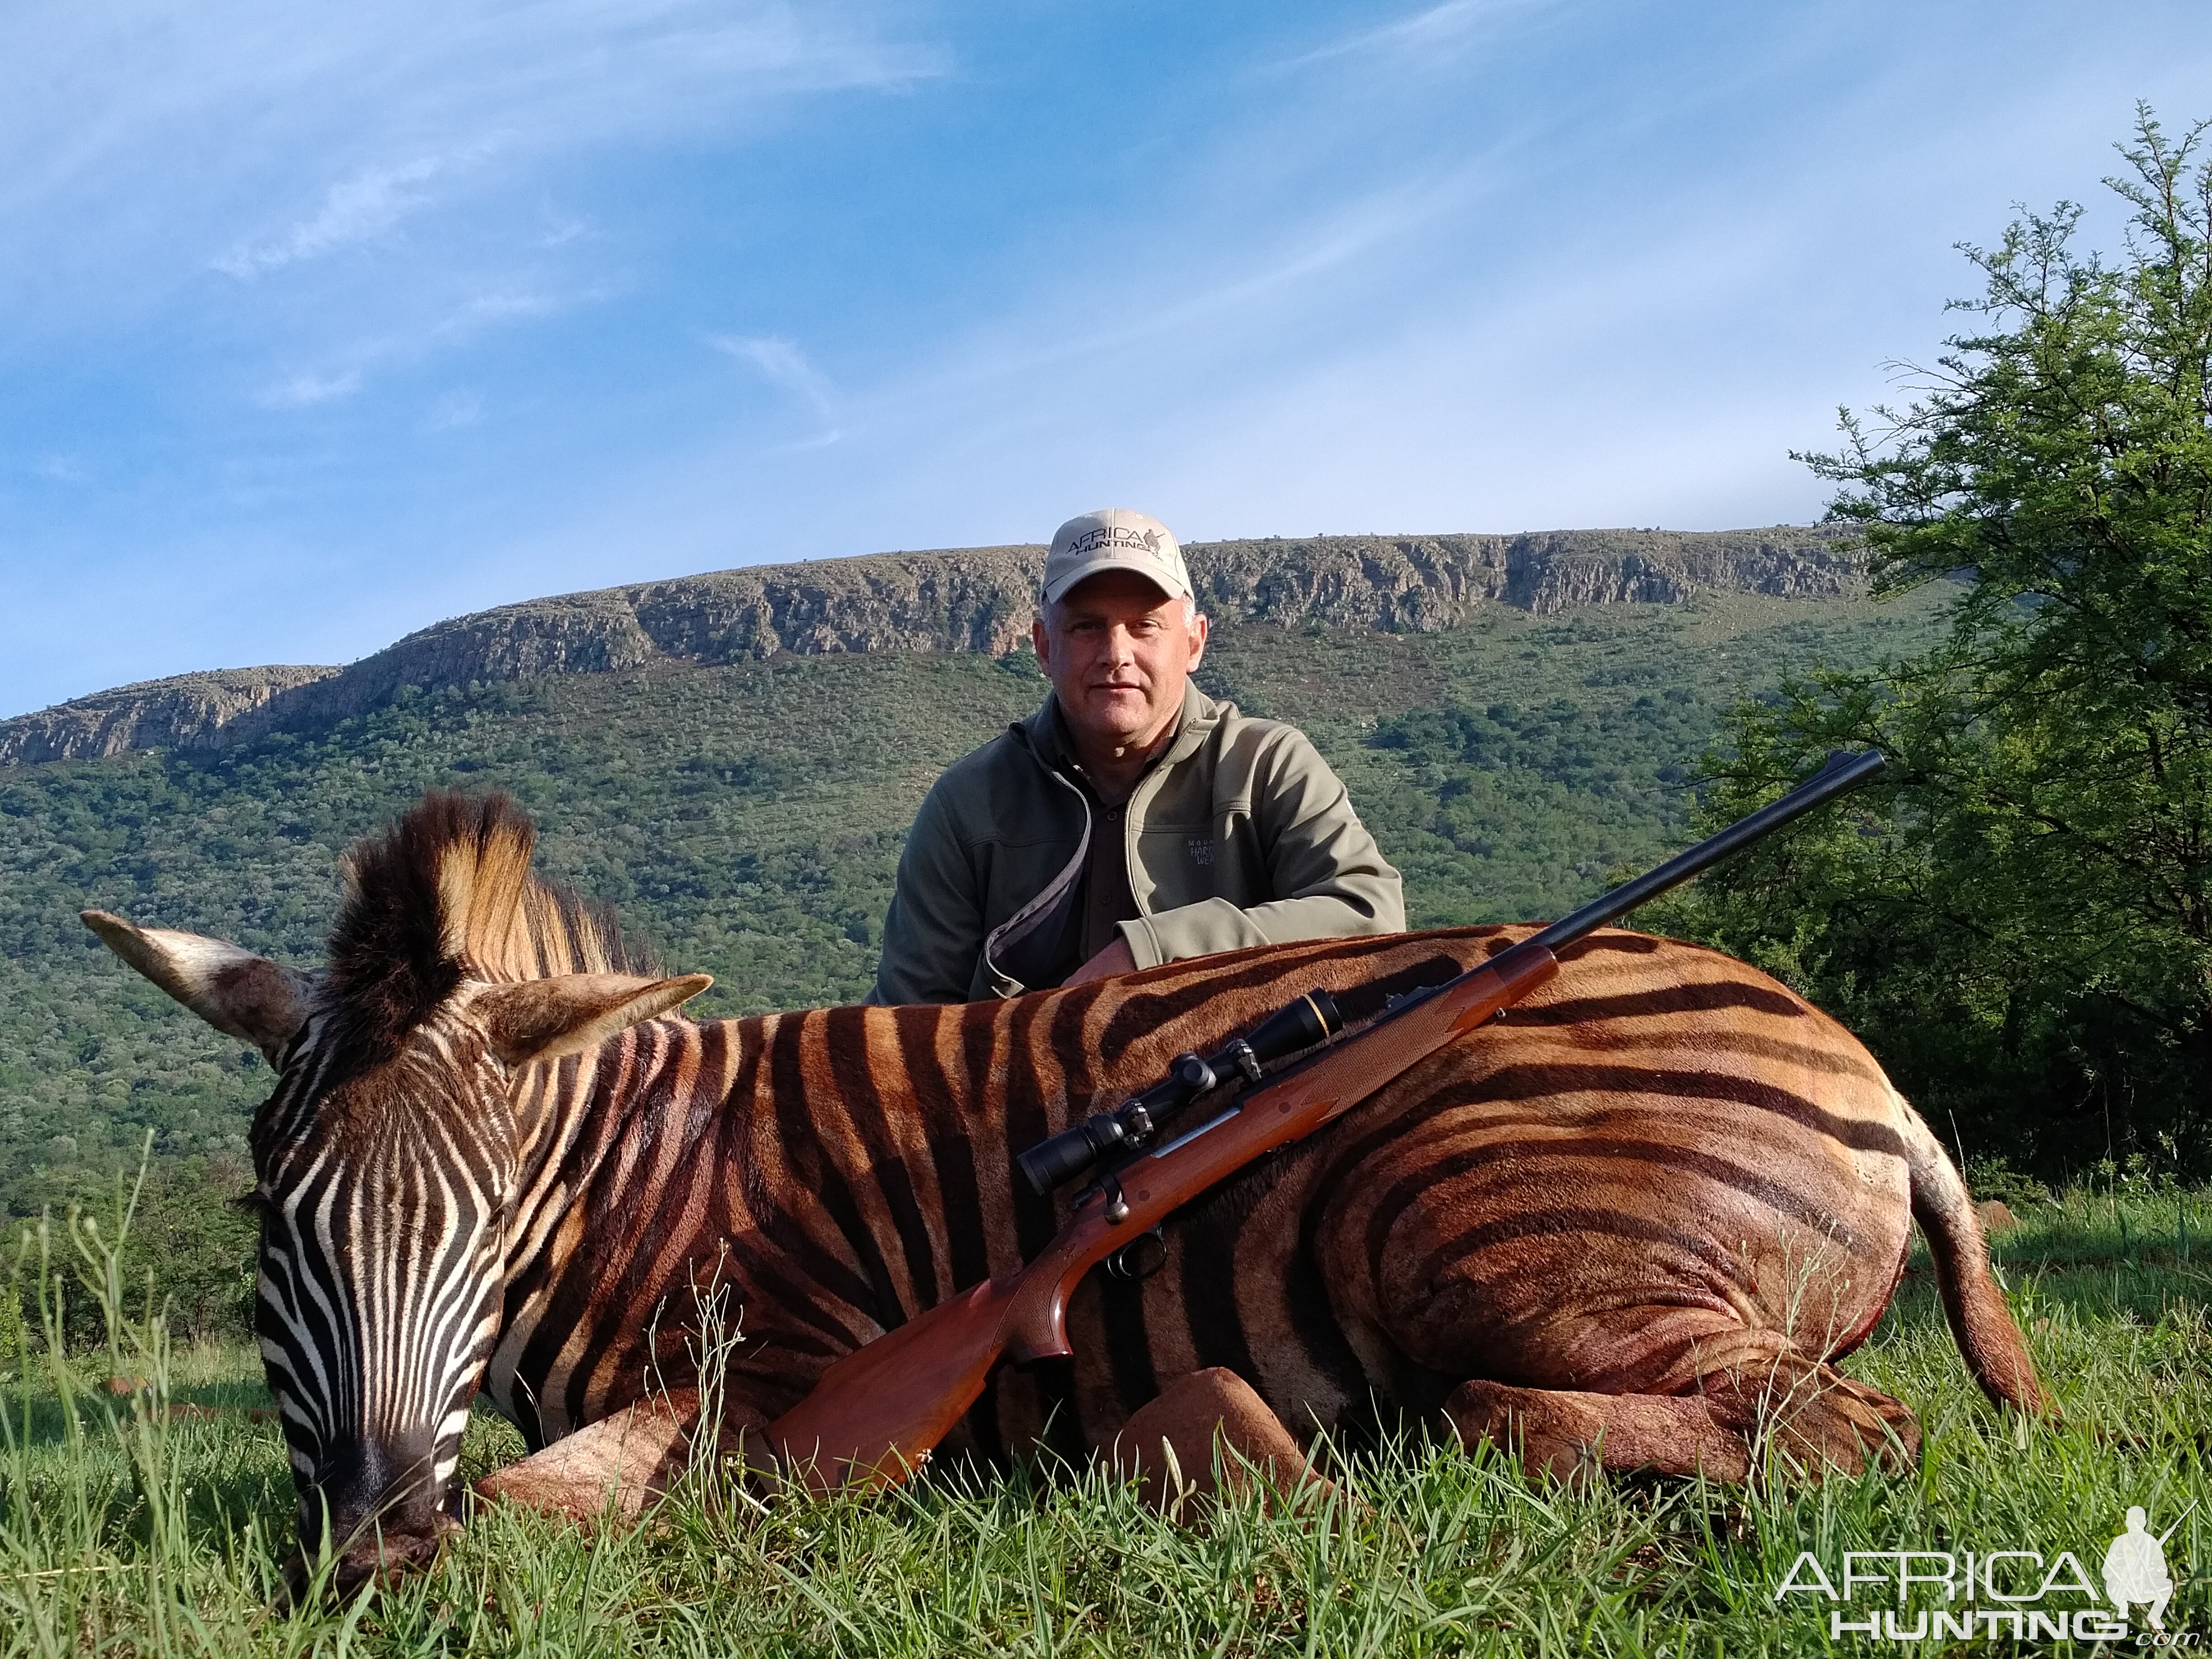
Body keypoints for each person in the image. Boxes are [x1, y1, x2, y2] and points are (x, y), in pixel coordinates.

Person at [872, 507, 1405, 1005]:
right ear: (1042, 647)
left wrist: (1152, 951)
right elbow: (906, 1017)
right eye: (1087, 627)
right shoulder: (968, 803)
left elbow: (1369, 915)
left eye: (1145, 625)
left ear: (1193, 643)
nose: (1116, 654)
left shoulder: (1266, 764)